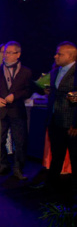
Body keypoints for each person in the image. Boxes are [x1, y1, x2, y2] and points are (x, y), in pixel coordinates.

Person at [0, 41, 33, 180]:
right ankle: (3, 165)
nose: (6, 55)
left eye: (10, 52)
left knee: (20, 141)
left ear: (18, 54)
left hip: (17, 111)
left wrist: (15, 96)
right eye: (5, 52)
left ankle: (18, 169)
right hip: (1, 111)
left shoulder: (26, 72)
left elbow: (28, 90)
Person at [46, 41, 77, 196]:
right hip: (55, 120)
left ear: (71, 56)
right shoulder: (55, 71)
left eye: (60, 54)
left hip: (71, 124)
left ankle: (73, 193)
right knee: (56, 156)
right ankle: (51, 189)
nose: (55, 56)